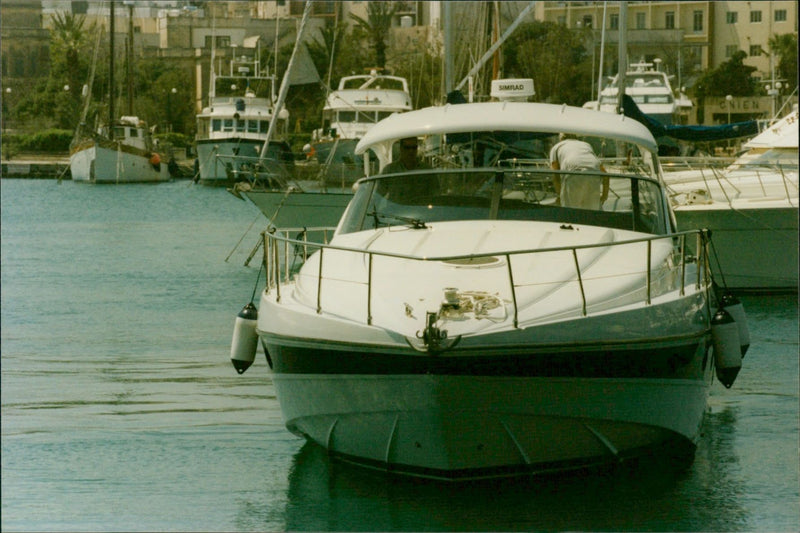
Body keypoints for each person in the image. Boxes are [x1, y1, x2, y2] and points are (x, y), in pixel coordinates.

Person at [549, 133, 609, 209]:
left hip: (573, 173)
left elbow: (555, 175)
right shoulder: (586, 145)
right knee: (592, 212)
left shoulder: (556, 147)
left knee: (571, 212)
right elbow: (605, 174)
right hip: (594, 173)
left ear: (561, 138)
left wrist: (560, 195)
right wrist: (604, 196)